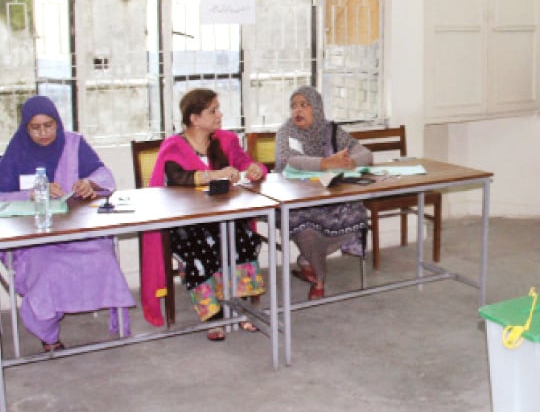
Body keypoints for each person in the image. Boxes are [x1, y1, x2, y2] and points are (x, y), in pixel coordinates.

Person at [0, 96, 134, 351]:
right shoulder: (16, 152)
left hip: (75, 232)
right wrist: (29, 194)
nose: (43, 133)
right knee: (48, 270)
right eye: (35, 127)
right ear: (25, 128)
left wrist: (89, 184)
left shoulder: (73, 143)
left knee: (102, 257)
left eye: (49, 125)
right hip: (33, 240)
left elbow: (104, 175)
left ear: (58, 122)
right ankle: (48, 336)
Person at [140, 88, 266, 340]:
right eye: (213, 110)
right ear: (194, 118)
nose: (220, 114)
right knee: (201, 247)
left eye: (218, 108)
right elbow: (178, 178)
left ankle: (241, 308)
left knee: (241, 237)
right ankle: (214, 315)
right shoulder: (174, 146)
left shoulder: (225, 140)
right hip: (187, 223)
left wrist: (254, 169)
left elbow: (247, 164)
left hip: (222, 217)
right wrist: (215, 175)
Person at [275, 86, 373, 300]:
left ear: (316, 108)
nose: (297, 111)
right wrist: (325, 163)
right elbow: (287, 160)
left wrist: (351, 162)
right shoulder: (286, 132)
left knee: (357, 214)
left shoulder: (331, 131)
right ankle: (319, 277)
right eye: (293, 106)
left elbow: (366, 153)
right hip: (296, 201)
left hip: (330, 197)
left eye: (303, 105)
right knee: (306, 228)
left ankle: (307, 260)